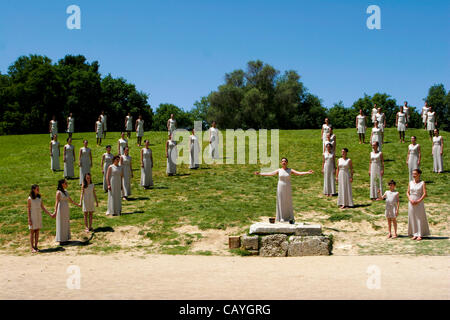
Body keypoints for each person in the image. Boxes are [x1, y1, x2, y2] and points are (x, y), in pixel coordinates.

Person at [255, 158, 314, 223]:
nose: (284, 162)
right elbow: (270, 173)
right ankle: (282, 217)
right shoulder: (279, 170)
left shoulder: (290, 170)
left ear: (287, 163)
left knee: (288, 201)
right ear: (281, 163)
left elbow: (298, 173)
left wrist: (308, 172)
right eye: (282, 161)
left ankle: (289, 217)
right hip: (280, 186)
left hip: (288, 186)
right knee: (281, 200)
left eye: (285, 161)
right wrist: (260, 173)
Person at [27, 185, 54, 253]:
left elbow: (43, 207)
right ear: (33, 189)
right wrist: (29, 219)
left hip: (38, 216)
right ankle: (32, 247)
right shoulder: (30, 198)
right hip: (33, 216)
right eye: (37, 189)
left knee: (37, 231)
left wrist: (50, 214)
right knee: (32, 232)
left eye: (38, 189)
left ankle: (36, 246)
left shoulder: (39, 198)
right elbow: (29, 209)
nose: (38, 190)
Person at [54, 179, 81, 245]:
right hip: (61, 209)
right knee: (61, 223)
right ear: (62, 184)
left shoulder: (66, 192)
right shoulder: (58, 192)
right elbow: (56, 202)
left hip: (66, 209)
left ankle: (65, 238)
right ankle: (61, 240)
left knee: (66, 223)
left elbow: (70, 200)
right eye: (65, 183)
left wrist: (78, 204)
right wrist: (55, 211)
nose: (67, 184)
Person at [407, 169, 430, 241]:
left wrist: (418, 201)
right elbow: (407, 192)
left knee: (419, 218)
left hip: (419, 202)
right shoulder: (410, 182)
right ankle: (414, 233)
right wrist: (410, 199)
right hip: (411, 201)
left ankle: (420, 234)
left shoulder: (422, 183)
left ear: (419, 174)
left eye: (415, 174)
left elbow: (424, 193)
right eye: (413, 174)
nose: (413, 175)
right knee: (412, 217)